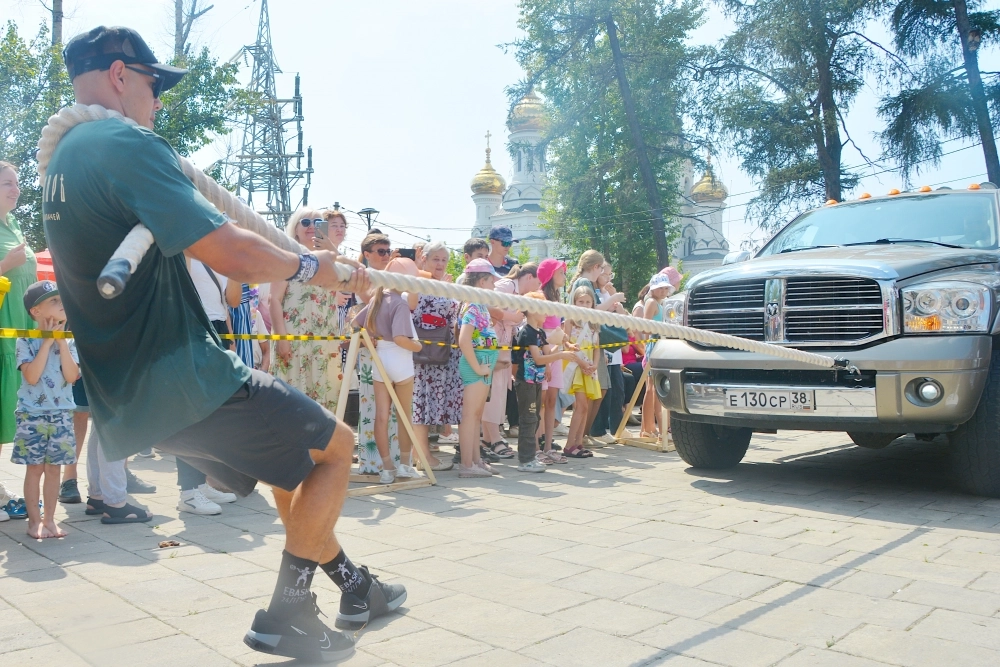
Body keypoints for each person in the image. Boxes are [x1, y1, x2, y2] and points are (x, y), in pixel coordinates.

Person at [46, 27, 402, 661]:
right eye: (155, 85)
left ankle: (355, 587)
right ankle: (287, 615)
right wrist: (317, 266)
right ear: (123, 75)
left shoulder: (67, 158)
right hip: (185, 376)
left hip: (130, 398)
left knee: (293, 466)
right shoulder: (123, 142)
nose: (159, 102)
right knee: (337, 451)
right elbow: (231, 251)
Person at [12, 281, 79, 538]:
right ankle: (34, 521)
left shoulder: (70, 342)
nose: (61, 305)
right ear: (35, 311)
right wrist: (46, 344)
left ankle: (50, 519)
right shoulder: (25, 339)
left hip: (62, 413)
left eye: (62, 301)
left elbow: (72, 376)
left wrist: (61, 344)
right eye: (53, 301)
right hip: (32, 415)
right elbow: (32, 376)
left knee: (54, 469)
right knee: (35, 468)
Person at [270, 208, 351, 414]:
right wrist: (281, 338)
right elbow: (275, 300)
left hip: (325, 343)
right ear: (295, 229)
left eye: (317, 222)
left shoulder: (332, 261)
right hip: (293, 342)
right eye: (305, 222)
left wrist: (331, 249)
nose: (311, 226)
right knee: (291, 401)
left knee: (326, 398)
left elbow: (356, 273)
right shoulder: (286, 257)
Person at [352, 257, 423, 484]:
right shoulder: (400, 302)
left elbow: (354, 323)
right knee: (404, 416)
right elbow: (402, 338)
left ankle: (386, 467)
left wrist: (368, 339)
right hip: (400, 360)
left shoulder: (377, 298)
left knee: (381, 416)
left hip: (380, 359)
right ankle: (404, 464)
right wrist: (418, 346)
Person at [0, 162, 37, 515]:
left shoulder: (14, 226)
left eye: (17, 183)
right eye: (7, 183)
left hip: (21, 336)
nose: (16, 189)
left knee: (7, 411)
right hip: (1, 335)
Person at [410, 241, 462, 471]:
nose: (440, 264)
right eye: (435, 259)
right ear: (425, 260)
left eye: (443, 259)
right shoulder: (418, 283)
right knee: (420, 404)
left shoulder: (444, 286)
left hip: (444, 354)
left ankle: (421, 453)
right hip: (424, 354)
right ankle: (422, 456)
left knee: (432, 405)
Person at [512, 292, 576, 471]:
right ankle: (525, 460)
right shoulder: (527, 332)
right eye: (543, 309)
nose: (546, 314)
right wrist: (562, 354)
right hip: (526, 382)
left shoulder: (539, 332)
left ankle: (530, 456)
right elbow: (539, 359)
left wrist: (560, 344)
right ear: (532, 310)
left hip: (537, 381)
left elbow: (548, 353)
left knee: (535, 417)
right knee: (528, 419)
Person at [482, 263, 540, 460]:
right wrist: (512, 316)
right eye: (539, 281)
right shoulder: (506, 285)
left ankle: (489, 437)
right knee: (493, 394)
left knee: (499, 394)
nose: (539, 287)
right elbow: (488, 305)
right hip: (492, 344)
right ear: (530, 276)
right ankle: (494, 438)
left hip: (505, 345)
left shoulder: (520, 295)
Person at [355, 232, 402, 474]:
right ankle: (373, 462)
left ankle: (394, 460)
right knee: (370, 406)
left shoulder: (389, 278)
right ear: (367, 255)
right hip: (370, 351)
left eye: (388, 251)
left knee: (392, 410)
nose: (386, 255)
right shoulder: (362, 279)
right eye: (381, 252)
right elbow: (372, 304)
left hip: (392, 350)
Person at [569, 250, 625, 448]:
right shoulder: (584, 284)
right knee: (596, 390)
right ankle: (581, 435)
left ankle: (583, 434)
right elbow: (591, 311)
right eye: (602, 268)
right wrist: (613, 298)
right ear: (595, 267)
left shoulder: (583, 283)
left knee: (600, 388)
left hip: (591, 340)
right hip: (586, 342)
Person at [456, 258, 501, 477]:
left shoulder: (478, 305)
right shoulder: (473, 305)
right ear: (482, 281)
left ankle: (475, 460)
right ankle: (467, 464)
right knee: (469, 416)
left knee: (475, 416)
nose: (493, 285)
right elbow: (464, 340)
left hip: (482, 366)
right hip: (476, 368)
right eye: (491, 280)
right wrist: (479, 368)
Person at [591, 262, 627, 444]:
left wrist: (614, 297)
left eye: (610, 275)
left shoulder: (606, 293)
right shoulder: (594, 293)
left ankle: (616, 427)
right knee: (603, 392)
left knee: (617, 391)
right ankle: (598, 429)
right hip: (602, 348)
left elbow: (624, 317)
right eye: (605, 275)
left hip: (614, 350)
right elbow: (598, 316)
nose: (608, 279)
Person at [563, 285, 601, 458]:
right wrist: (580, 362)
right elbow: (565, 343)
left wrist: (594, 364)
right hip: (576, 365)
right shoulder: (571, 320)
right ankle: (570, 444)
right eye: (581, 301)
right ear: (574, 302)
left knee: (585, 406)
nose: (584, 305)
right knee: (581, 405)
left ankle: (579, 442)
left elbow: (597, 348)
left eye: (587, 301)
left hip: (589, 367)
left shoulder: (594, 323)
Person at [537, 258, 569, 450]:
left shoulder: (557, 300)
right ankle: (538, 442)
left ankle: (548, 445)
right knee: (540, 401)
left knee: (551, 400)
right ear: (550, 275)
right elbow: (539, 331)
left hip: (556, 352)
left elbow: (558, 329)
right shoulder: (541, 298)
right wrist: (547, 362)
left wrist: (567, 343)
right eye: (560, 273)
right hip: (544, 352)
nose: (564, 276)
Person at [641, 272, 677, 438]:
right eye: (660, 288)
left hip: (660, 344)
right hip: (654, 345)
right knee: (651, 388)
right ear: (653, 289)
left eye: (665, 288)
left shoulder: (661, 303)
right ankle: (648, 428)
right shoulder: (651, 303)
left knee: (655, 388)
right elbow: (644, 327)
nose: (663, 291)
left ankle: (652, 427)